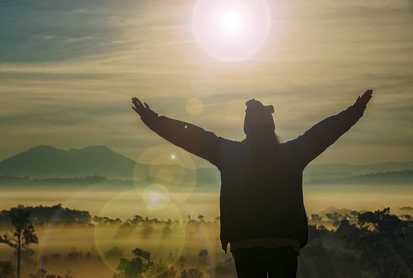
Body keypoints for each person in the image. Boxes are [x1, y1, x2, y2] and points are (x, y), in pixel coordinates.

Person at [132, 90, 372, 278]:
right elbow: (322, 133)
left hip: (245, 244)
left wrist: (154, 120)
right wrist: (355, 111)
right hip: (283, 243)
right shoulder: (292, 154)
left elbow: (192, 136)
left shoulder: (229, 154)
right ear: (271, 127)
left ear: (247, 127)